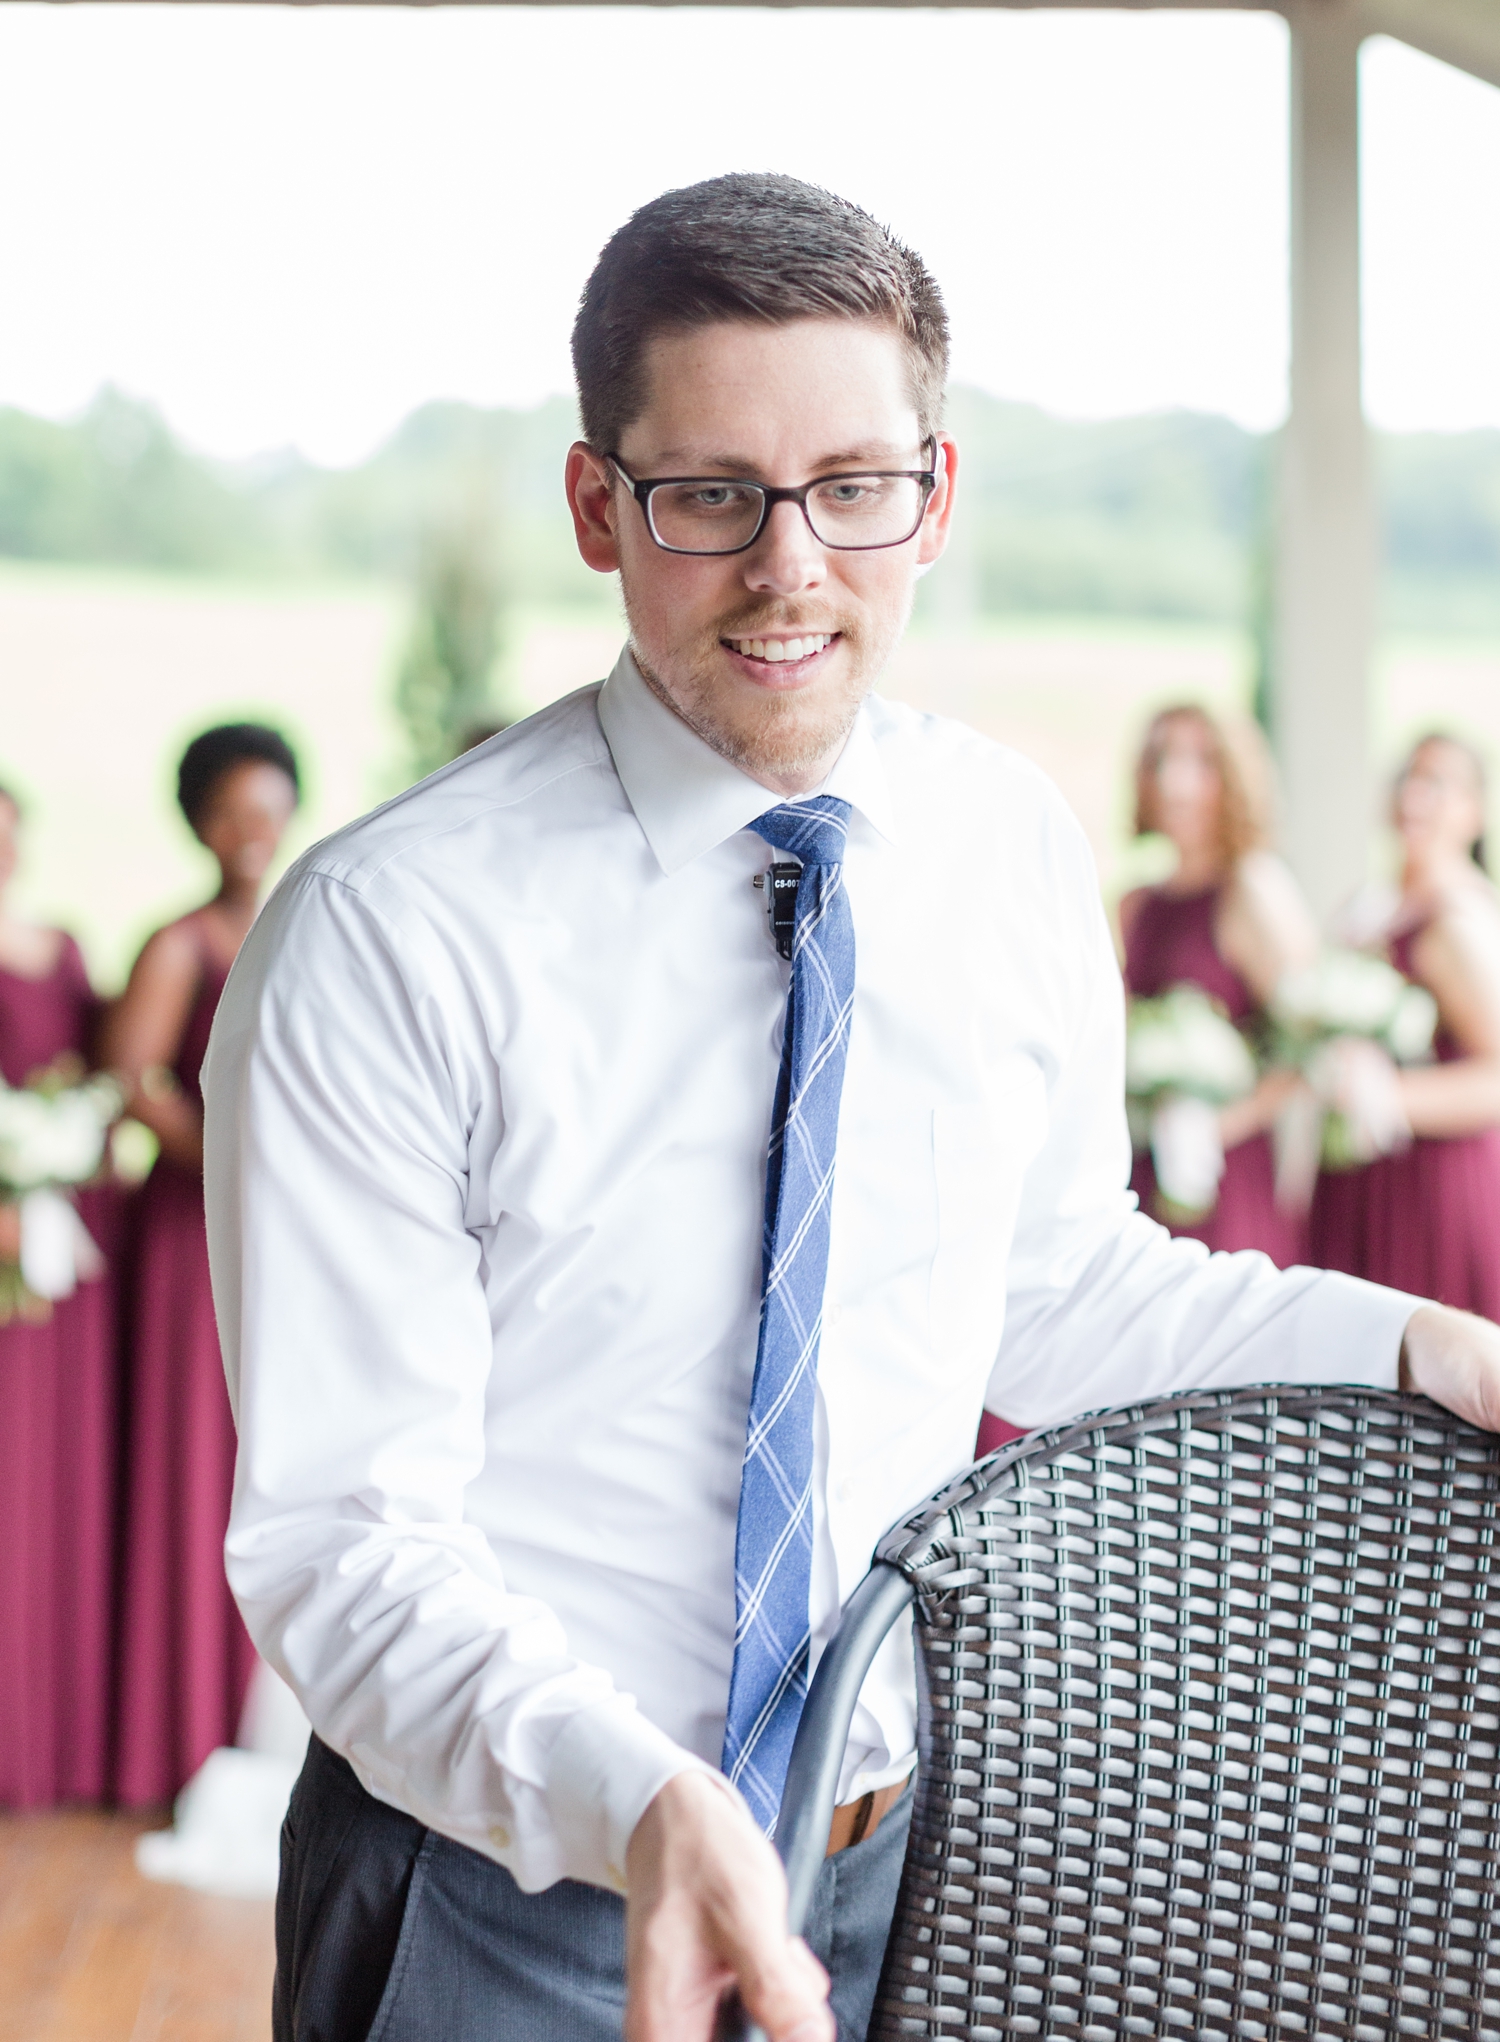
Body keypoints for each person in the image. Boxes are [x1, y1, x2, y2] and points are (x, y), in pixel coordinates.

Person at [205, 175, 1500, 2042]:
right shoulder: (389, 932)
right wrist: (643, 1807)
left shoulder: (1008, 849)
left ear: (936, 496)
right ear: (600, 508)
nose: (792, 566)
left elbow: (1058, 1291)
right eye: (711, 493)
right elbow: (344, 1539)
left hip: (906, 1873)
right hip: (504, 1897)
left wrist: (1421, 1347)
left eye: (854, 489)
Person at [108, 723, 300, 1807]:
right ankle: (167, 1733)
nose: (252, 834)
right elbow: (136, 1079)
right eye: (232, 814)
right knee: (190, 1464)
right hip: (188, 1239)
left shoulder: (295, 920)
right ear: (199, 823)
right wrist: (225, 1159)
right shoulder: (178, 944)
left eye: (268, 811)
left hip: (264, 1239)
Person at [0, 781, 121, 1808]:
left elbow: (93, 1077)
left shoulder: (65, 948)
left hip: (55, 1258)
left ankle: (43, 1737)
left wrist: (61, 1158)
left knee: (44, 1494)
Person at [1309, 732, 1500, 1317]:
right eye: (1406, 779)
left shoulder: (1459, 924)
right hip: (1359, 1175)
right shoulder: (1368, 906)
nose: (1413, 797)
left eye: (1436, 783)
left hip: (1434, 1187)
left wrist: (1384, 1092)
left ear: (1473, 811)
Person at [1119, 703, 1316, 1266]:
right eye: (1162, 759)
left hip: (1227, 1175)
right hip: (1143, 1172)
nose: (1175, 781)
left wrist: (1213, 1125)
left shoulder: (1254, 889)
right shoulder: (1134, 904)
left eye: (1199, 761)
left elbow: (1308, 1048)